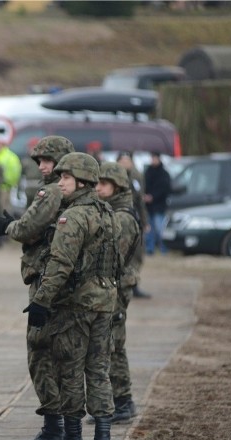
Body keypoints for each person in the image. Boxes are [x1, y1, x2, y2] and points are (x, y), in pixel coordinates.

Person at [0, 136, 74, 440]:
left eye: (48, 160)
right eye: (39, 161)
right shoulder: (78, 192)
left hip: (47, 279)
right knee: (67, 352)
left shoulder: (50, 192)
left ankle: (55, 425)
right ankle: (69, 427)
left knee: (40, 351)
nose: (43, 166)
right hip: (67, 280)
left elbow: (28, 229)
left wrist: (11, 227)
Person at [27, 152, 118, 440]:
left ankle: (74, 438)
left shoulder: (73, 216)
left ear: (81, 181)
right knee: (99, 368)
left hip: (76, 304)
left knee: (70, 368)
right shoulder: (107, 212)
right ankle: (103, 439)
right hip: (105, 300)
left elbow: (60, 264)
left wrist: (41, 301)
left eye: (66, 177)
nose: (60, 182)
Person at [95, 162, 141, 423]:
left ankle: (123, 401)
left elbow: (114, 257)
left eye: (104, 184)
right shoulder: (111, 211)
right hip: (110, 285)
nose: (98, 188)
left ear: (117, 187)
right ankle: (116, 401)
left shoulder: (122, 217)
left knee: (114, 343)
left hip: (117, 286)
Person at [117, 151, 151, 299]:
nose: (125, 163)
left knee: (137, 255)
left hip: (135, 220)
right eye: (122, 160)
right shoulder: (113, 179)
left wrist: (145, 222)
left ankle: (133, 284)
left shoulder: (137, 177)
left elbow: (140, 202)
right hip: (120, 221)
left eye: (128, 160)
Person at [143, 152, 171, 255]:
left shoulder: (163, 174)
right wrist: (145, 196)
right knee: (149, 229)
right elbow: (144, 186)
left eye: (155, 158)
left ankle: (163, 247)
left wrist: (153, 197)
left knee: (160, 229)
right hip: (149, 206)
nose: (153, 160)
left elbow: (164, 189)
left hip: (159, 206)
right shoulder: (148, 172)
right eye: (152, 158)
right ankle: (150, 249)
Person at [21, 137, 42, 208]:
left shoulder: (42, 162)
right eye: (30, 147)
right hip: (28, 192)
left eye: (34, 147)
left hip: (40, 191)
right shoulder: (25, 162)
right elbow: (21, 177)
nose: (31, 149)